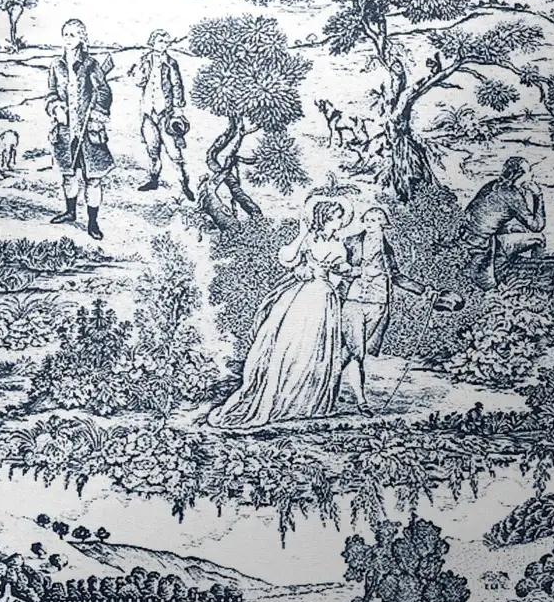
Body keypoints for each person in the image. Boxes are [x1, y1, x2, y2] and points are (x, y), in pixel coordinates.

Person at [208, 199, 351, 429]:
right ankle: (282, 399)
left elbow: (341, 270)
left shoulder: (339, 243)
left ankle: (308, 403)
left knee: (316, 348)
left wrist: (337, 273)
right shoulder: (309, 239)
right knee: (293, 345)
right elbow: (287, 258)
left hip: (326, 297)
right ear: (325, 218)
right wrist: (302, 244)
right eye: (337, 217)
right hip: (304, 296)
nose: (340, 221)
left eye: (341, 217)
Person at [340, 207, 430, 417]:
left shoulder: (387, 249)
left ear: (384, 223)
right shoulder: (351, 242)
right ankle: (361, 401)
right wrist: (358, 271)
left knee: (348, 352)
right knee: (357, 353)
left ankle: (327, 388)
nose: (370, 223)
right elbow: (336, 265)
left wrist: (423, 290)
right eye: (368, 219)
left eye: (376, 219)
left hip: (378, 304)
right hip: (354, 301)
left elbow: (396, 276)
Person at [46, 19, 113, 240]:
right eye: (65, 34)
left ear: (82, 38)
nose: (68, 38)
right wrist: (56, 107)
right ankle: (70, 212)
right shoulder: (56, 65)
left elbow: (104, 93)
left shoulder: (91, 64)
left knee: (93, 178)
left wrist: (96, 116)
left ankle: (93, 222)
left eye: (73, 34)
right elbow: (51, 93)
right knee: (68, 175)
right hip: (66, 131)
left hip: (88, 131)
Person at [462, 156, 546, 289]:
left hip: (466, 239)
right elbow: (537, 226)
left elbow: (486, 218)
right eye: (529, 170)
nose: (532, 174)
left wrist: (509, 228)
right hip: (481, 248)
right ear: (520, 175)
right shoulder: (513, 196)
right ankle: (538, 274)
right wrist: (538, 195)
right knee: (539, 238)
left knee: (517, 229)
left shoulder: (493, 185)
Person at [132, 29, 194, 199]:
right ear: (152, 43)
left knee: (174, 153)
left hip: (166, 114)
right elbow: (139, 82)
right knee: (152, 149)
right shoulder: (144, 60)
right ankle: (153, 180)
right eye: (160, 41)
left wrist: (177, 109)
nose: (163, 45)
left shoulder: (171, 63)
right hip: (148, 113)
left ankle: (185, 185)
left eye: (166, 42)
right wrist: (138, 72)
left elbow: (177, 86)